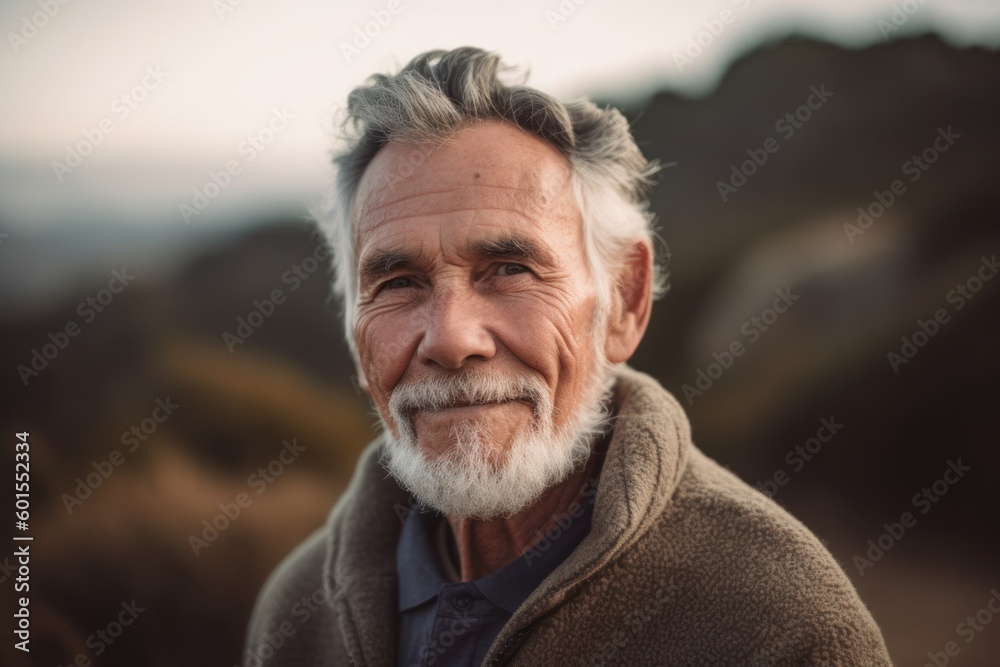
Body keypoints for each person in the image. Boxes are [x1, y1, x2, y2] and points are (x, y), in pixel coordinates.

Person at [243, 47, 892, 666]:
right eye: (398, 283)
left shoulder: (783, 629)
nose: (450, 338)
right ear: (355, 332)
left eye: (509, 269)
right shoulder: (295, 611)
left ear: (624, 301)